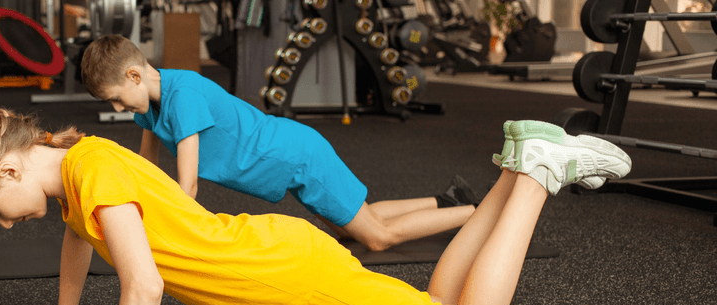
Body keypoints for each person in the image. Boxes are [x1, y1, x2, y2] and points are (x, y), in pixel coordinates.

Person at [0, 106, 632, 305]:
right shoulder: (82, 168)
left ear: (4, 171)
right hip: (280, 264)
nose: (3, 224)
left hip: (285, 286)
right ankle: (515, 168)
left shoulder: (95, 174)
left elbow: (143, 286)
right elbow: (79, 241)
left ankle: (538, 176)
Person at [80, 35, 478, 251]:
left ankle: (476, 212)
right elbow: (146, 166)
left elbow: (187, 187)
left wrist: (174, 235)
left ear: (134, 76)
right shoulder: (149, 105)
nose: (117, 108)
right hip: (288, 164)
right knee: (356, 223)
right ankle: (447, 199)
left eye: (116, 98)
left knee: (376, 238)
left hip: (298, 157)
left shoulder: (183, 97)